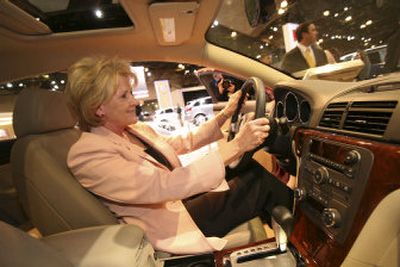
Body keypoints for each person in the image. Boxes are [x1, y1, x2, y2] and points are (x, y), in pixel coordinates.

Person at [65, 56, 293, 255]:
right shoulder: (87, 153)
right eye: (124, 96)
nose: (135, 101)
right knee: (260, 183)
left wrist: (225, 114)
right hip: (170, 225)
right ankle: (312, 242)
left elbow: (184, 142)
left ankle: (286, 239)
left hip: (180, 202)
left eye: (131, 93)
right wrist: (237, 145)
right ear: (99, 108)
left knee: (249, 168)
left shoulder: (133, 130)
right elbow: (161, 185)